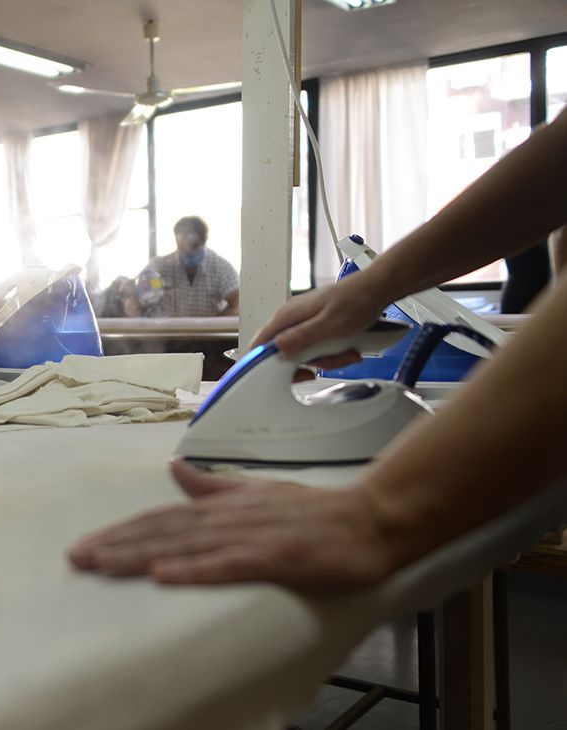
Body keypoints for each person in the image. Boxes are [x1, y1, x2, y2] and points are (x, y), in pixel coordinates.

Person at [68, 108, 567, 593]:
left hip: (209, 338)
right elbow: (555, 160)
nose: (185, 246)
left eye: (191, 241)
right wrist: (373, 287)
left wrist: (383, 511)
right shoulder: (158, 265)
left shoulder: (218, 265)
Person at [124, 216, 239, 318]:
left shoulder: (221, 269)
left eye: (194, 248)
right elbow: (138, 292)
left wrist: (214, 322)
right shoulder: (160, 267)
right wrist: (133, 304)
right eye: (182, 247)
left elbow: (239, 306)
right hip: (167, 337)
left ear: (205, 240)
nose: (188, 250)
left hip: (210, 338)